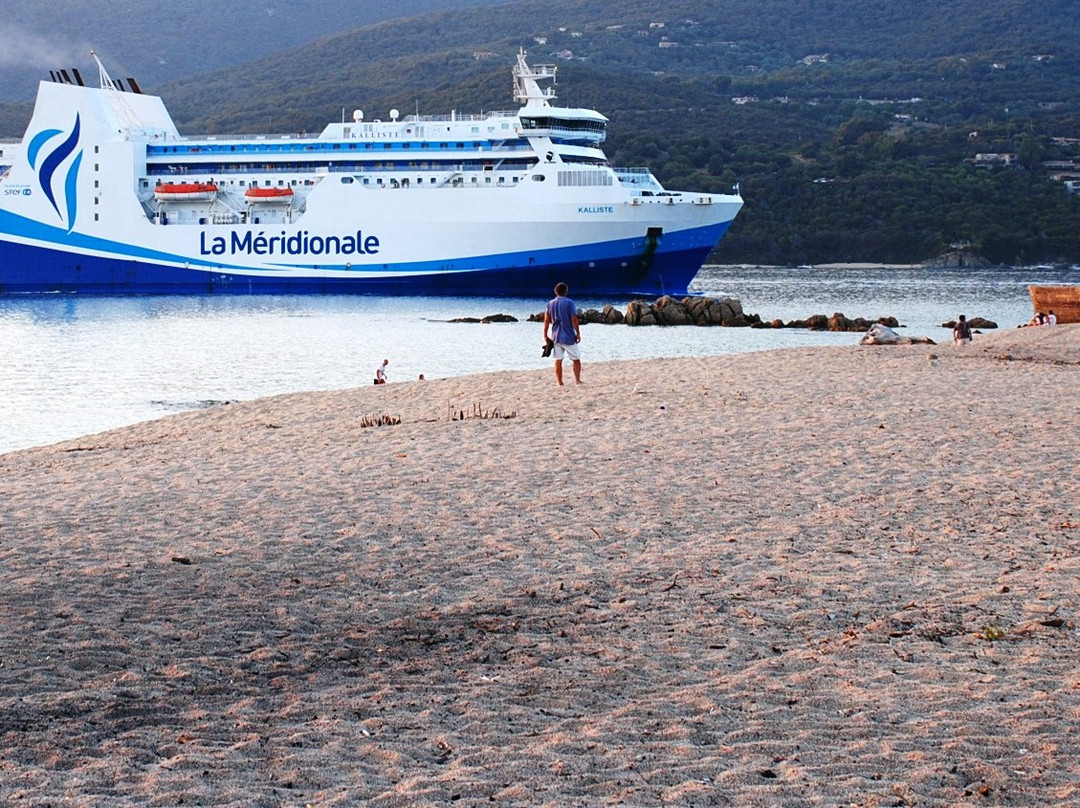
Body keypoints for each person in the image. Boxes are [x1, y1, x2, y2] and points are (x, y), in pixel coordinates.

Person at [543, 282, 582, 385]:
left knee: (558, 360)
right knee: (576, 359)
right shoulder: (570, 303)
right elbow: (574, 319)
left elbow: (546, 321)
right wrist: (578, 333)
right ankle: (577, 380)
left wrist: (545, 335)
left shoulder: (550, 304)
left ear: (556, 292)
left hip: (556, 336)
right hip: (568, 335)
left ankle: (560, 382)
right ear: (566, 291)